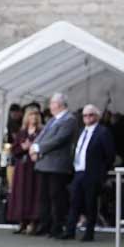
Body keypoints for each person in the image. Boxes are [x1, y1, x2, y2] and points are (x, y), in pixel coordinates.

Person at [63, 104, 115, 241]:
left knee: (90, 203)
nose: (87, 117)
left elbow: (109, 155)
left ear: (97, 116)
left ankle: (89, 233)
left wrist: (101, 172)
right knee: (74, 202)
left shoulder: (103, 132)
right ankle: (69, 231)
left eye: (90, 115)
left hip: (93, 173)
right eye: (85, 115)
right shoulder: (80, 131)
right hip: (78, 171)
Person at [30, 93, 79, 237]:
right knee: (43, 197)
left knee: (56, 197)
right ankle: (44, 225)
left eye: (52, 103)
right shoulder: (52, 120)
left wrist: (39, 148)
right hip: (44, 163)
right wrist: (34, 147)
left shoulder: (69, 119)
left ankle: (57, 226)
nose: (50, 106)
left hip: (58, 165)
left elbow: (59, 139)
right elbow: (41, 136)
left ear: (60, 104)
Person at [7, 108, 44, 233]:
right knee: (20, 194)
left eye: (35, 115)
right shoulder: (22, 132)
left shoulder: (41, 131)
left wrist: (33, 148)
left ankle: (33, 222)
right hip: (21, 168)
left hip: (34, 168)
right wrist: (23, 147)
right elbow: (14, 149)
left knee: (33, 194)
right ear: (27, 117)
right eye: (31, 115)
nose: (33, 117)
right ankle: (22, 221)